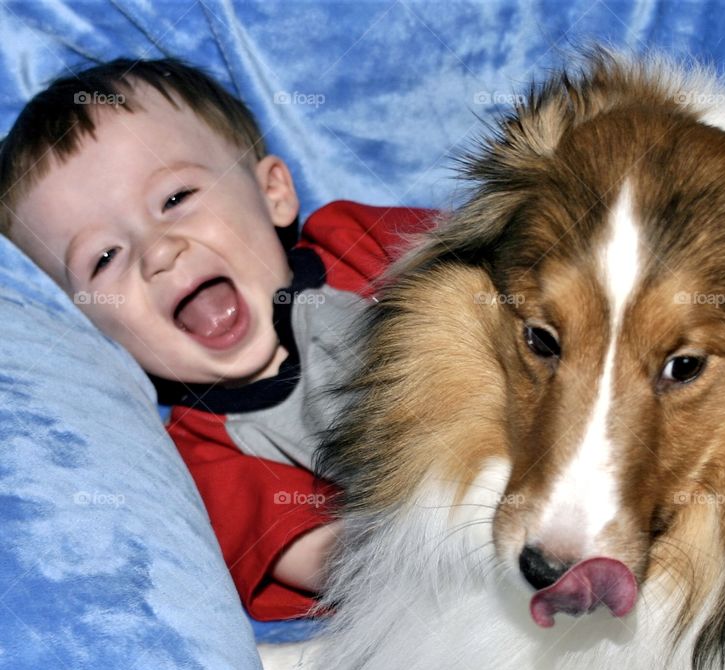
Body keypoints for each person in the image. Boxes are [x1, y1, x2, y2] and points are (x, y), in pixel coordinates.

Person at [0, 58, 433, 620]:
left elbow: (519, 268)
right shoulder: (209, 453)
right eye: (104, 258)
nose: (158, 252)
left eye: (176, 199)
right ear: (89, 328)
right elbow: (340, 562)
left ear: (273, 192)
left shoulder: (360, 241)